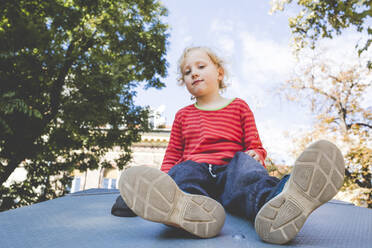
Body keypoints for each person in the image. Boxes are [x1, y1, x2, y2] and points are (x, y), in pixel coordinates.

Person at [115, 46, 345, 244]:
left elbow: (254, 143)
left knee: (246, 171)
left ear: (219, 72)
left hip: (230, 169)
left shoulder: (239, 106)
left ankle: (277, 202)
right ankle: (185, 208)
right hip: (196, 167)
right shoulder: (183, 115)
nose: (194, 73)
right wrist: (162, 181)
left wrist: (256, 154)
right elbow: (174, 152)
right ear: (184, 82)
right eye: (187, 72)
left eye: (200, 67)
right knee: (184, 171)